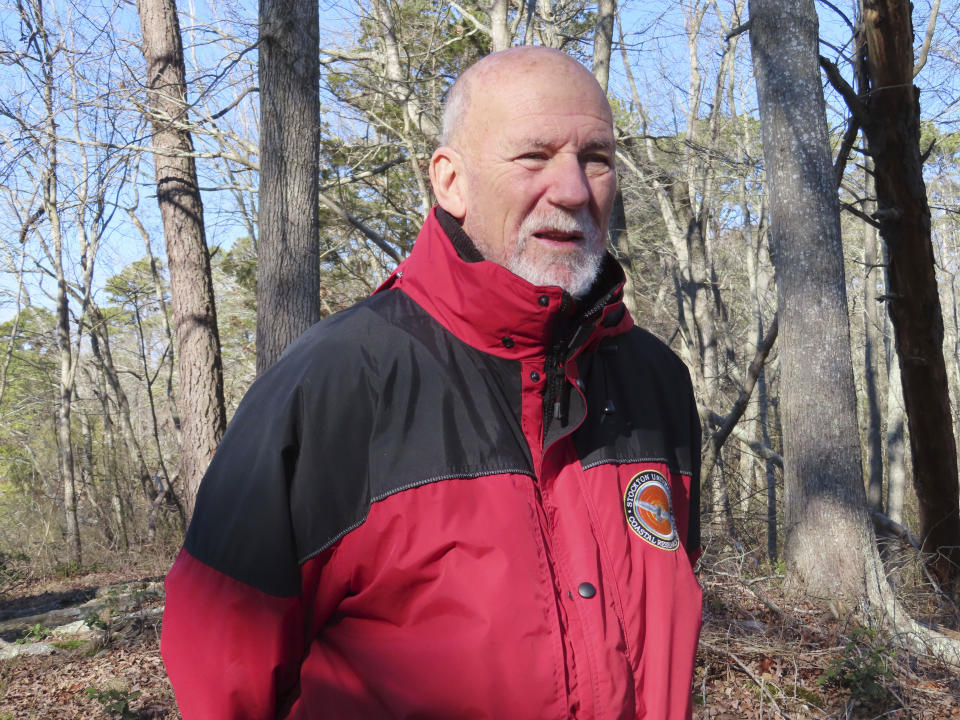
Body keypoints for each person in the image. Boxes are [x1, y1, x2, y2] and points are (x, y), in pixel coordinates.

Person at [162, 46, 703, 720]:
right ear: (450, 181)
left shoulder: (657, 384)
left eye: (595, 158)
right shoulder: (335, 383)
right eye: (533, 156)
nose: (572, 189)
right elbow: (222, 669)